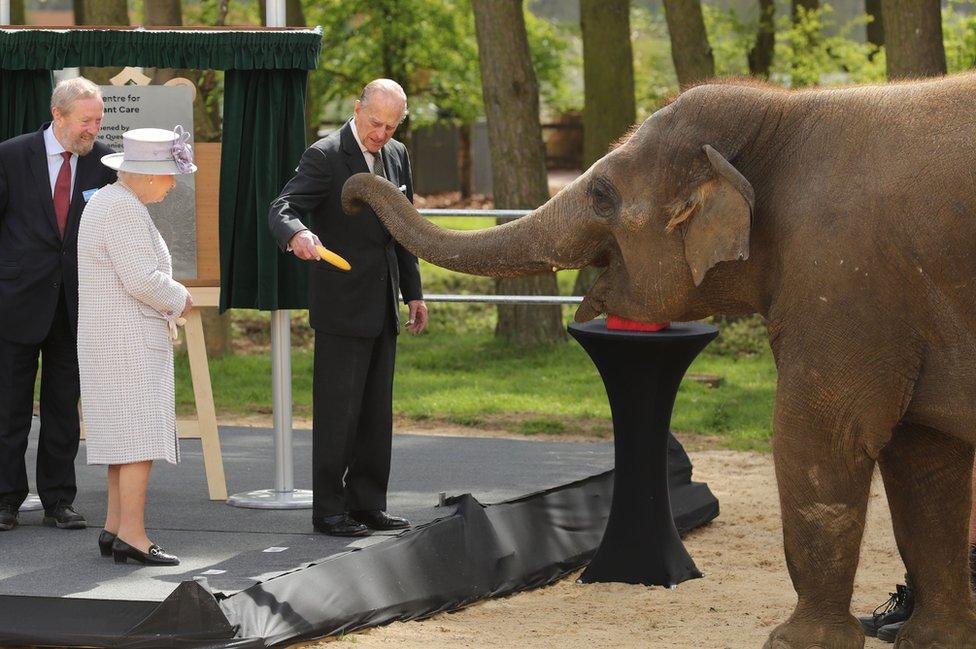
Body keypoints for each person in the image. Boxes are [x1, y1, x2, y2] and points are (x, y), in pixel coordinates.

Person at [268, 79, 428, 537]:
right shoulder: (324, 155)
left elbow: (405, 228)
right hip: (341, 305)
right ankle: (330, 512)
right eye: (375, 122)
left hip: (384, 304)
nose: (381, 133)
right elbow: (282, 207)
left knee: (376, 413)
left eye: (391, 125)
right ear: (358, 109)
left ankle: (368, 504)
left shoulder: (397, 155)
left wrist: (413, 293)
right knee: (339, 413)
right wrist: (297, 234)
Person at [0, 78, 116, 532]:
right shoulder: (11, 156)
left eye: (98, 120)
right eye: (85, 121)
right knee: (8, 406)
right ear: (58, 114)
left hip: (75, 303)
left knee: (64, 408)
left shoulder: (104, 161)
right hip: (16, 301)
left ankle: (58, 500)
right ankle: (6, 499)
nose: (93, 129)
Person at [77, 126, 196, 565]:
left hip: (114, 340)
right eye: (169, 175)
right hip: (126, 342)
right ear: (147, 174)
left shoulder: (109, 202)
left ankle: (114, 527)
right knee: (139, 441)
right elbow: (141, 278)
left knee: (124, 441)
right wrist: (180, 298)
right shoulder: (121, 208)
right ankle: (132, 533)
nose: (172, 184)